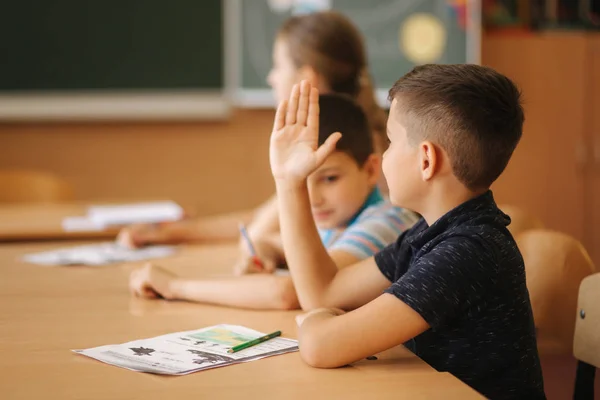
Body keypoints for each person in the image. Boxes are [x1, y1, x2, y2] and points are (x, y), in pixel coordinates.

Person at [271, 68, 546, 398]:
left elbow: (321, 346)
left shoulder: (467, 252)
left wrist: (320, 320)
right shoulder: (432, 232)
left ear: (426, 160)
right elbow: (324, 291)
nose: (384, 155)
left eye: (390, 142)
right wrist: (289, 182)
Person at [118, 11, 389, 271]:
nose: (271, 77)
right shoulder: (345, 141)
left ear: (306, 79)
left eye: (278, 66)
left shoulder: (345, 150)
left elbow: (257, 231)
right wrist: (169, 233)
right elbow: (262, 219)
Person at [128, 94, 418, 310]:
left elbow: (290, 293)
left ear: (369, 170)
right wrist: (267, 250)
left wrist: (175, 286)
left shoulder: (385, 223)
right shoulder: (340, 218)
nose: (313, 198)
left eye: (329, 179)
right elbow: (277, 243)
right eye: (302, 181)